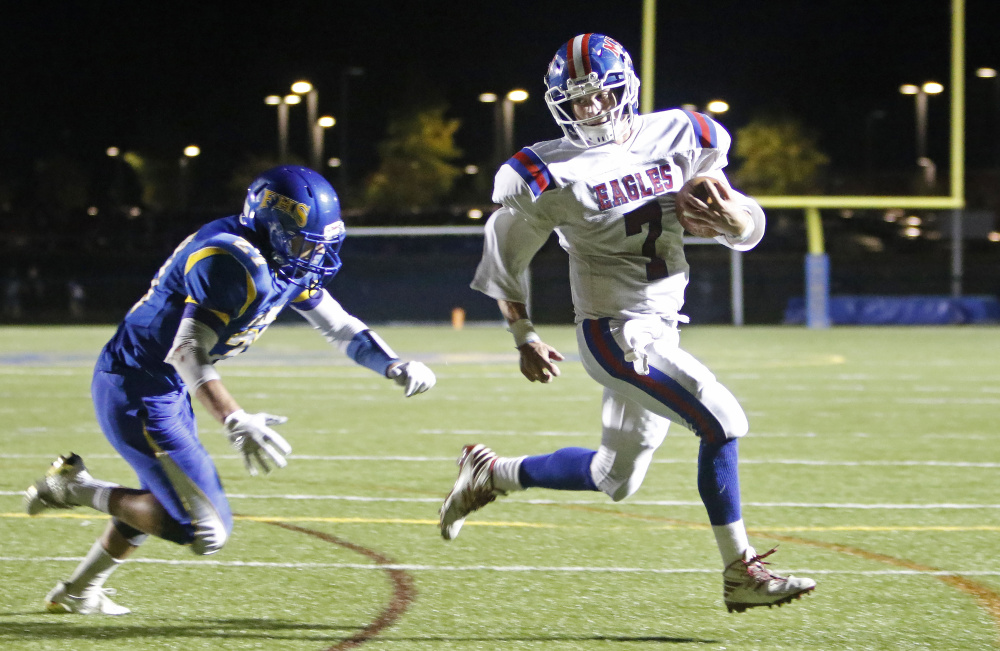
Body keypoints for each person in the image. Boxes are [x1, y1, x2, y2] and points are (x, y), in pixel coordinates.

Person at [438, 34, 815, 613]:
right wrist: (524, 335)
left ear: (626, 88)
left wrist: (735, 220)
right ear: (559, 104)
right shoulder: (546, 171)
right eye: (576, 100)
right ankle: (741, 573)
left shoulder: (685, 135)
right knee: (722, 420)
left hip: (662, 325)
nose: (589, 109)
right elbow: (503, 252)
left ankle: (492, 474)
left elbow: (747, 225)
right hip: (614, 333)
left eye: (599, 95)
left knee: (615, 477)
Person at [24, 165, 436, 615]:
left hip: (164, 387)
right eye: (303, 243)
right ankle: (72, 488)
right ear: (271, 229)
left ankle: (79, 592)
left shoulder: (279, 259)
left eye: (320, 244)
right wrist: (234, 418)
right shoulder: (231, 261)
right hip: (137, 385)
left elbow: (339, 326)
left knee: (170, 495)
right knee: (205, 529)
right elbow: (185, 351)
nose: (314, 256)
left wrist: (392, 362)